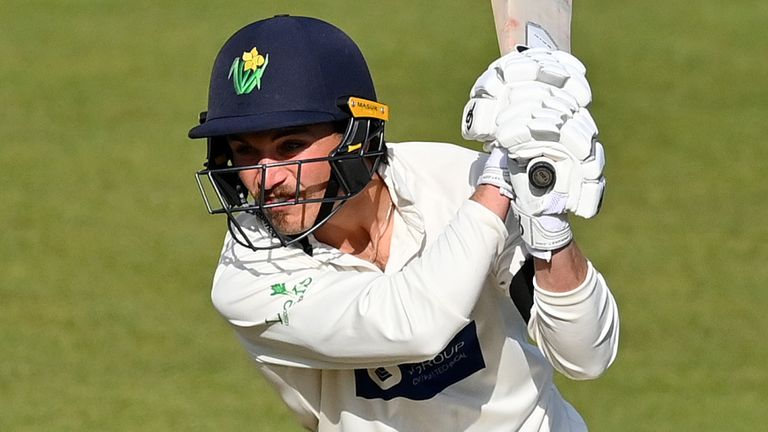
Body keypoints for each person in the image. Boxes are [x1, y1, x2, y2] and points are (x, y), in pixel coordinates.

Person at [189, 15, 619, 432]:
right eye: (244, 151)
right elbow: (414, 324)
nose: (266, 178)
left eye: (292, 146)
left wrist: (548, 221)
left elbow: (586, 356)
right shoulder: (248, 278)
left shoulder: (454, 180)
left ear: (357, 136)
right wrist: (502, 176)